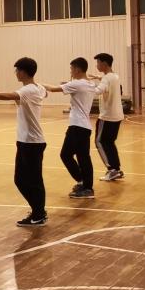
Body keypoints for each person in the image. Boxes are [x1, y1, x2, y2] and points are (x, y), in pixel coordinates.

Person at [0, 57, 48, 226]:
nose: (16, 73)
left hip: (32, 143)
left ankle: (39, 214)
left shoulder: (28, 90)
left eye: (17, 70)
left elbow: (9, 95)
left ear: (24, 72)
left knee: (32, 181)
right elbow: (45, 91)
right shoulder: (38, 88)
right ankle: (38, 210)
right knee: (22, 180)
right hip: (26, 141)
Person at [45, 58, 97, 199]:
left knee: (66, 155)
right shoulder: (90, 84)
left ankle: (84, 183)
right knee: (83, 157)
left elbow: (53, 89)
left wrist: (37, 84)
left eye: (71, 69)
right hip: (84, 126)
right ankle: (86, 185)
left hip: (77, 126)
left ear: (78, 69)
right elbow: (76, 83)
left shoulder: (77, 84)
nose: (71, 72)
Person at [91, 52, 124, 182]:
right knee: (109, 143)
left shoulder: (106, 79)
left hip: (107, 117)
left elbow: (98, 90)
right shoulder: (115, 76)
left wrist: (84, 85)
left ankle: (112, 169)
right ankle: (116, 169)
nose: (97, 65)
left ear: (104, 63)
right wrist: (97, 77)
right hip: (117, 116)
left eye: (98, 63)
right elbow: (106, 80)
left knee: (99, 142)